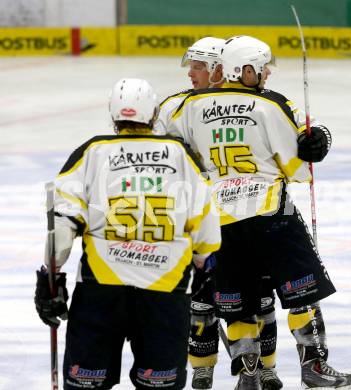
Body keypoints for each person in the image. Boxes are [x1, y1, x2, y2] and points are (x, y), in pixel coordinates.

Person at [168, 36, 351, 390]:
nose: (268, 72)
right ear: (246, 69)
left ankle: (248, 376)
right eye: (263, 66)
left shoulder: (186, 107)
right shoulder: (270, 104)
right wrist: (319, 140)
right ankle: (313, 366)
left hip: (220, 222)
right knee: (303, 293)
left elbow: (164, 144)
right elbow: (298, 163)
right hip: (271, 216)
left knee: (237, 304)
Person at [34, 78, 221, 390]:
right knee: (160, 384)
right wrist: (204, 264)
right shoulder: (180, 154)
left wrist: (50, 280)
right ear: (152, 114)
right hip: (167, 287)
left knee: (86, 383)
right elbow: (206, 223)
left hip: (101, 290)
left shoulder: (92, 152)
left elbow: (62, 226)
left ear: (113, 114)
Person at [154, 37, 225, 390]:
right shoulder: (172, 108)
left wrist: (316, 137)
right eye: (192, 66)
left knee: (250, 297)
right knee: (200, 297)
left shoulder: (249, 102)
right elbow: (150, 153)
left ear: (218, 69)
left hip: (243, 214)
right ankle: (201, 368)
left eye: (199, 66)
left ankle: (256, 367)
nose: (191, 73)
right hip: (194, 218)